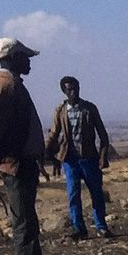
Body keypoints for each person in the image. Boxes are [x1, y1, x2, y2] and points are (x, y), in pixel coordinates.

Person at [0, 37, 64, 255]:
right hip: (15, 165)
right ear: (14, 58)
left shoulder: (9, 84)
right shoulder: (6, 87)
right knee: (24, 224)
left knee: (27, 221)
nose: (29, 62)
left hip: (19, 164)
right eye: (25, 57)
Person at [46, 76, 118, 239]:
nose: (73, 92)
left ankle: (101, 226)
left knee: (96, 193)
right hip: (70, 160)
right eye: (69, 89)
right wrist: (46, 151)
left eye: (75, 88)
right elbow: (54, 133)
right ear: (64, 91)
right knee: (73, 194)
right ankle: (79, 229)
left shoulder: (89, 108)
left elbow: (102, 134)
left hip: (89, 158)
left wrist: (103, 156)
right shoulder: (60, 111)